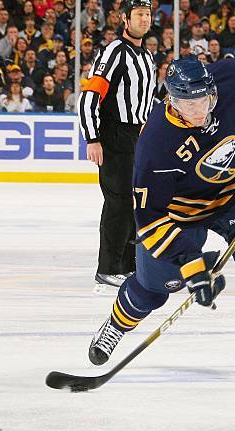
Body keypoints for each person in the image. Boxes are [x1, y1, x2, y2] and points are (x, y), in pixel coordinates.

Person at [87, 56, 235, 384]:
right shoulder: (155, 142)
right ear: (171, 99)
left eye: (204, 100)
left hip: (233, 193)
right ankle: (114, 326)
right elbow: (150, 220)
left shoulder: (234, 76)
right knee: (153, 289)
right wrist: (191, 264)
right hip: (179, 216)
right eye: (188, 104)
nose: (199, 111)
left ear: (213, 90)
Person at [78, 0, 157, 292]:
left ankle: (130, 265)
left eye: (147, 14)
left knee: (135, 202)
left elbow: (149, 102)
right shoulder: (114, 51)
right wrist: (92, 137)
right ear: (125, 18)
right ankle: (108, 268)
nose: (144, 19)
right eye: (138, 14)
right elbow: (89, 95)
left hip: (139, 137)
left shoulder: (147, 57)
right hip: (113, 135)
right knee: (119, 202)